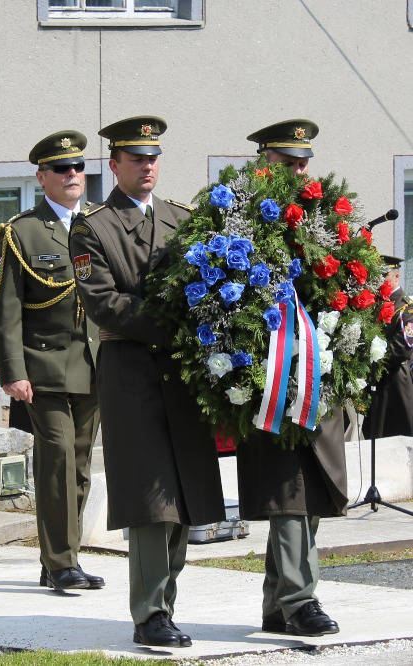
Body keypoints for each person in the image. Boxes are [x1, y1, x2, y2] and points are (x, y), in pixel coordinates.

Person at [69, 116, 224, 647]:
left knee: (185, 499)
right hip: (132, 375)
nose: (148, 166)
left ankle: (165, 603)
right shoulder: (94, 226)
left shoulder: (182, 219)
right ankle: (150, 613)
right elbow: (103, 304)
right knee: (152, 502)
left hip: (182, 377)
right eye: (137, 158)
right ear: (114, 165)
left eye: (153, 157)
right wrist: (180, 319)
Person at [238, 119, 345, 637]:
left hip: (321, 372)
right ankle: (301, 601)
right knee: (289, 493)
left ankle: (277, 605)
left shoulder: (323, 217)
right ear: (264, 163)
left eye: (304, 161)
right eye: (288, 161)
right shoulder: (238, 216)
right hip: (271, 378)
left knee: (315, 488)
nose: (300, 170)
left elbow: (347, 282)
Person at [0, 131, 103, 593]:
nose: (72, 175)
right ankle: (60, 562)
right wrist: (13, 372)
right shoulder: (20, 232)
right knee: (55, 457)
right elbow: (6, 308)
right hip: (44, 367)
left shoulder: (100, 222)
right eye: (61, 169)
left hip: (94, 363)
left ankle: (63, 556)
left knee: (78, 465)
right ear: (42, 177)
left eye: (77, 167)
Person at [363, 255, 413, 438]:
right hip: (376, 379)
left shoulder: (407, 308)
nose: (380, 281)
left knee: (396, 433)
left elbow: (402, 347)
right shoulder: (375, 303)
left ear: (396, 277)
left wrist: (373, 362)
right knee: (373, 432)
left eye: (385, 276)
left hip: (395, 380)